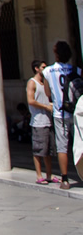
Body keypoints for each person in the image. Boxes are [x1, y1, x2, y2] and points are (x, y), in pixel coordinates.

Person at [42, 40, 81, 190]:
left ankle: (65, 179)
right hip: (77, 111)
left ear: (56, 54)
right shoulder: (76, 70)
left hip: (60, 113)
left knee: (62, 147)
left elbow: (47, 93)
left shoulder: (48, 71)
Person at [27, 59, 56, 185]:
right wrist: (46, 106)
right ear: (36, 68)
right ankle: (39, 175)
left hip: (48, 120)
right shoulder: (32, 83)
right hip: (38, 121)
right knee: (39, 150)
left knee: (48, 151)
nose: (45, 68)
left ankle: (49, 174)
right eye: (43, 67)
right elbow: (31, 101)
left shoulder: (45, 83)